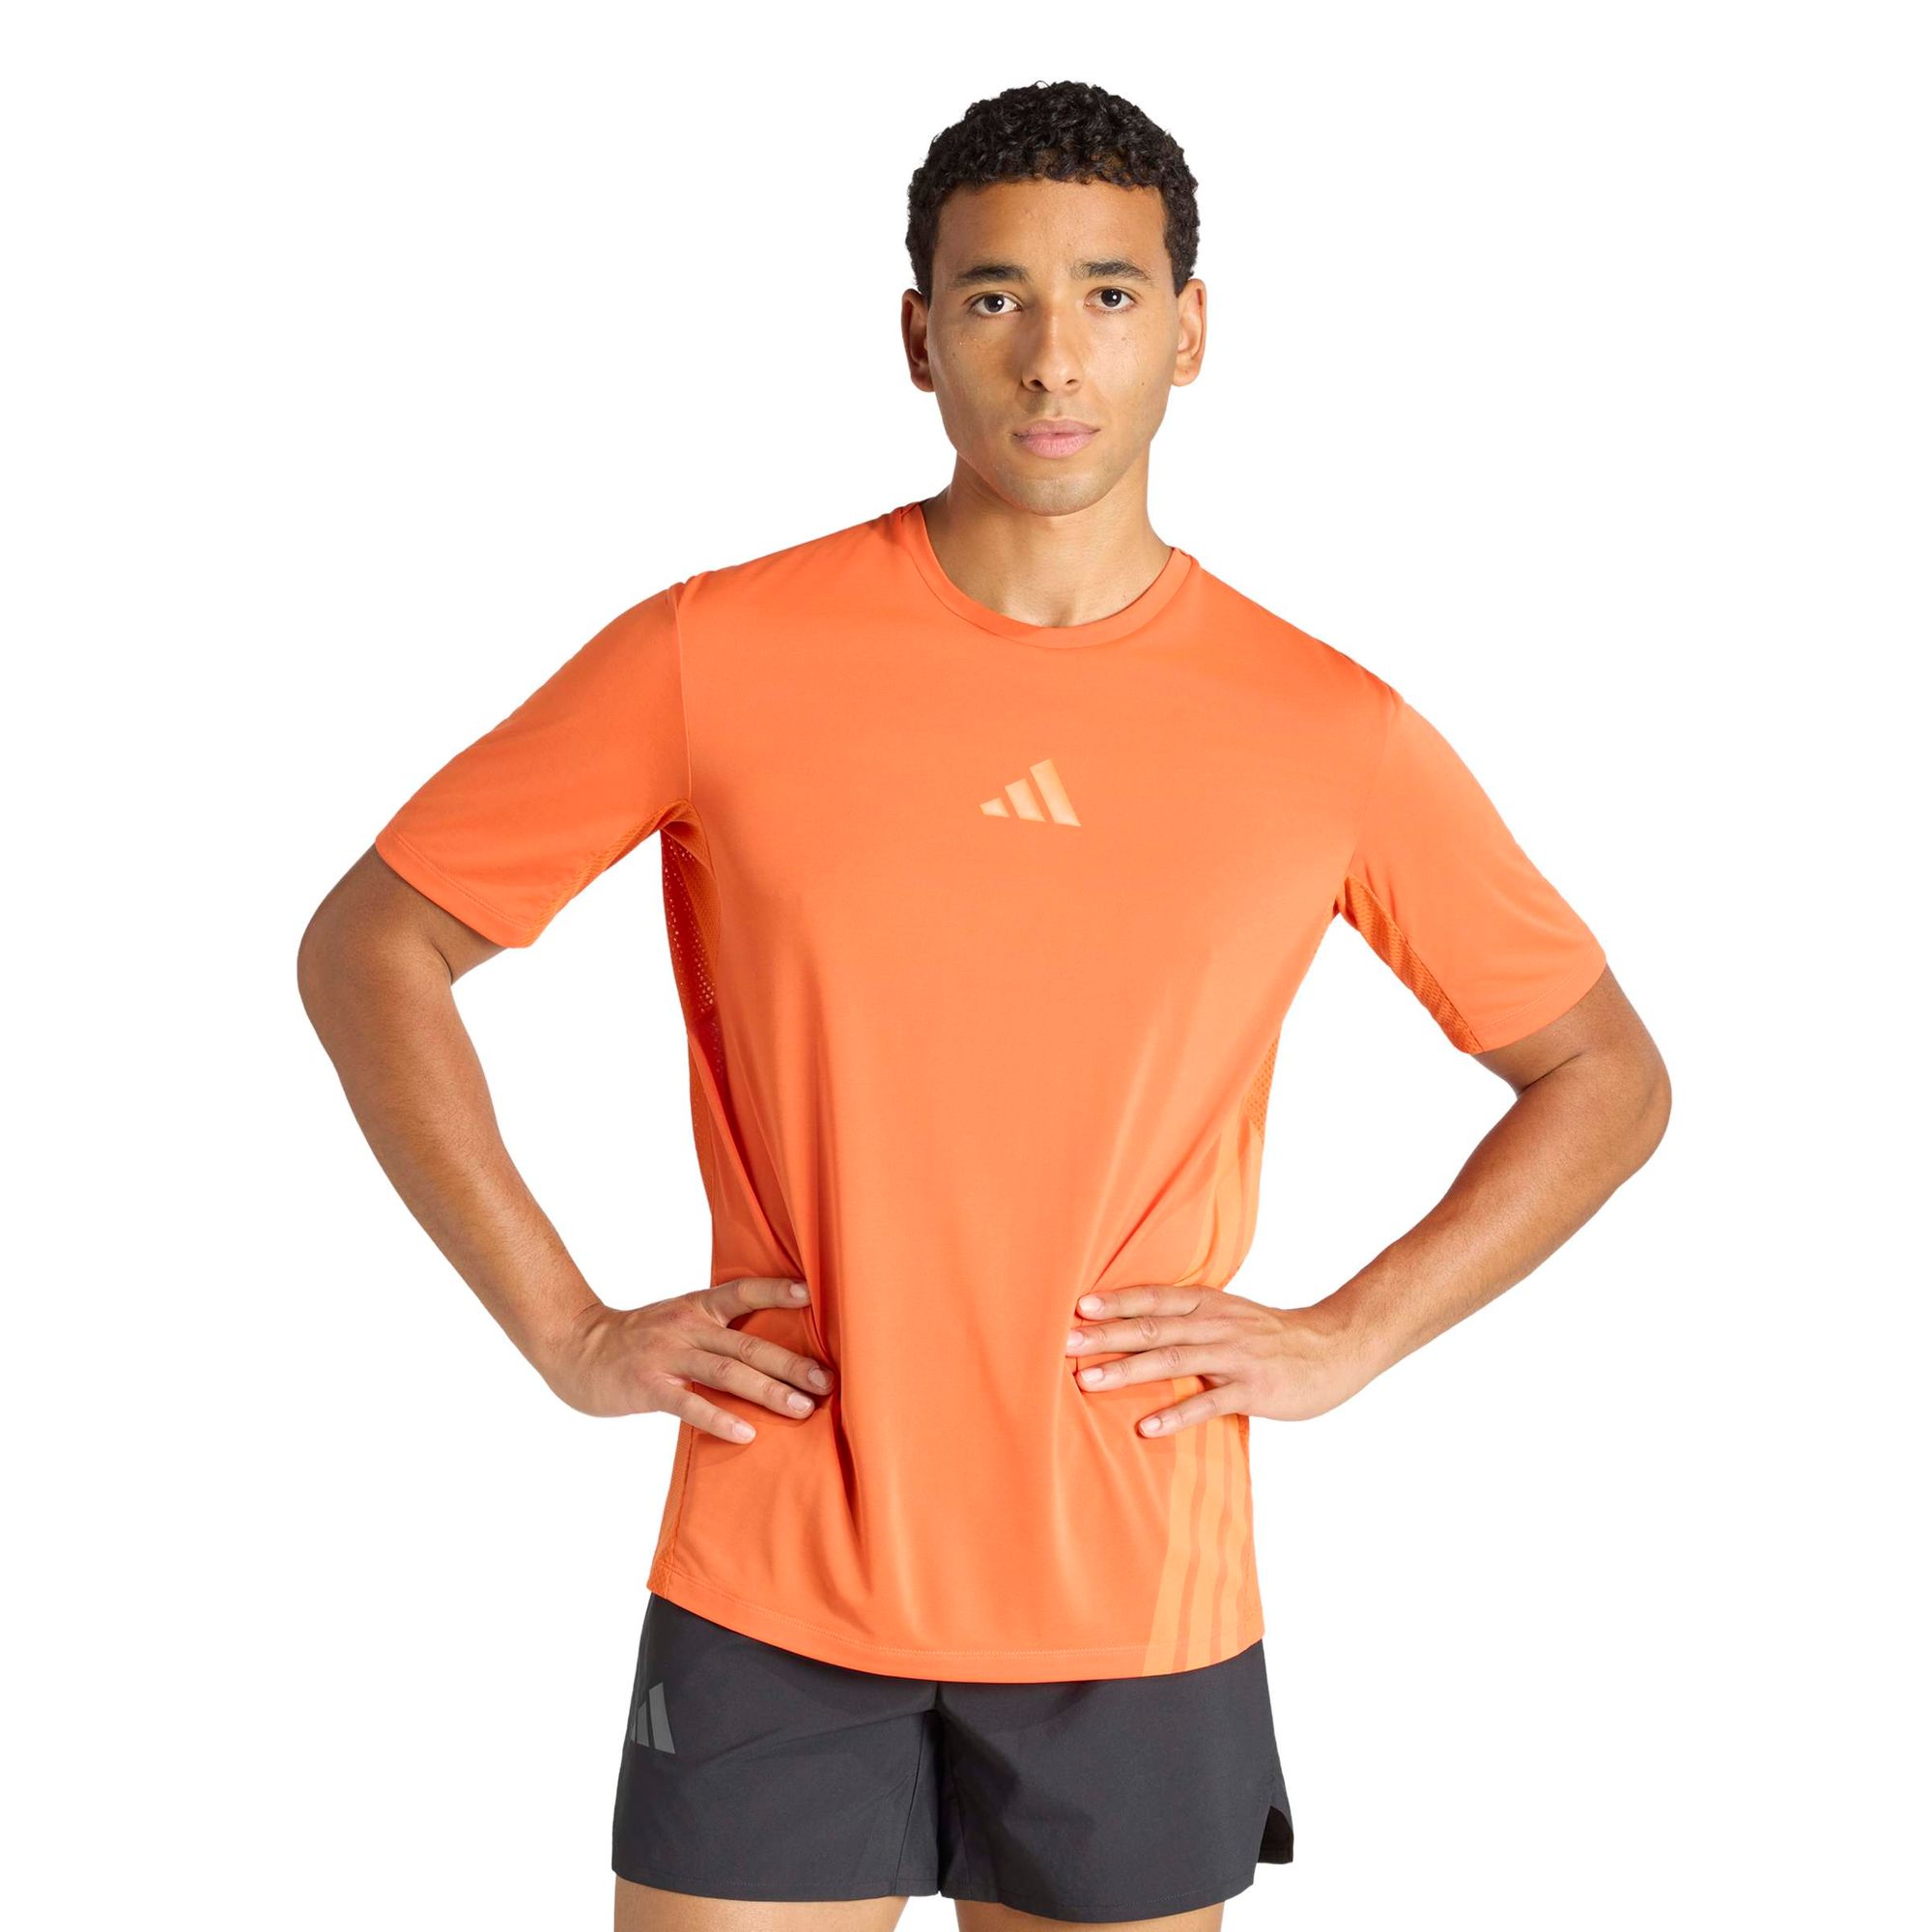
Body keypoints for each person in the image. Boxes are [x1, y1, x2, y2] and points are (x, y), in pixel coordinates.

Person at [298, 76, 1669, 1932]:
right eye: (994, 294)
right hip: (776, 1564)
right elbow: (374, 943)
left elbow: (1602, 1074)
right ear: (917, 334)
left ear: (1191, 331)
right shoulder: (719, 651)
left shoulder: (1325, 729)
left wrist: (1350, 1336)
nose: (1052, 354)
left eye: (1109, 293)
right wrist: (562, 1327)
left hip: (1137, 1589)